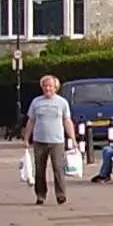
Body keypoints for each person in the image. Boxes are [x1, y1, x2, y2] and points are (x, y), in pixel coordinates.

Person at [24, 73, 78, 206]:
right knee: (39, 169)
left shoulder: (62, 102)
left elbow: (67, 121)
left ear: (56, 88)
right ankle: (40, 195)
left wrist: (73, 138)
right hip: (39, 140)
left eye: (50, 86)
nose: (48, 89)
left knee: (58, 168)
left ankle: (61, 195)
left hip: (57, 141)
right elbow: (31, 121)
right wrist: (26, 138)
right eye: (45, 86)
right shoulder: (36, 102)